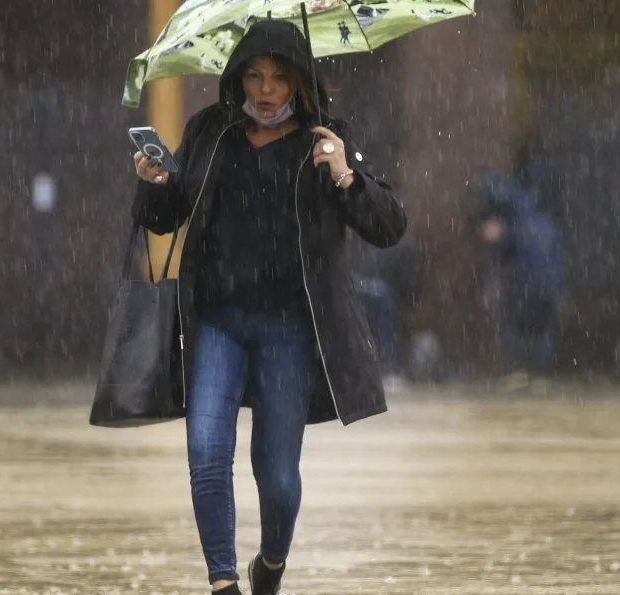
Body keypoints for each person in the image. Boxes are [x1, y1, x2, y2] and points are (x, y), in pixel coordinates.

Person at [130, 19, 406, 595]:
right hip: (217, 323)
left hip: (289, 331)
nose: (265, 89)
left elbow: (388, 225)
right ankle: (223, 582)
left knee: (277, 478)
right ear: (237, 79)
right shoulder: (211, 132)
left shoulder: (326, 139)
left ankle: (271, 565)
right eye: (254, 75)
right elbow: (166, 215)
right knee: (206, 453)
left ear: (299, 83)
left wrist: (345, 174)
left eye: (279, 77)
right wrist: (155, 183)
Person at [478, 173, 562, 392]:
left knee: (513, 325)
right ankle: (540, 375)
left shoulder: (514, 222)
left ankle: (518, 372)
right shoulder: (544, 222)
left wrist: (495, 238)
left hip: (523, 284)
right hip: (548, 286)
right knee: (541, 330)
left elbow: (503, 249)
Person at [350, 231, 421, 389]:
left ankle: (389, 368)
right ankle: (385, 368)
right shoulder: (356, 239)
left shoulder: (400, 243)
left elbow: (409, 284)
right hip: (355, 289)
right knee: (380, 298)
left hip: (379, 294)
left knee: (383, 299)